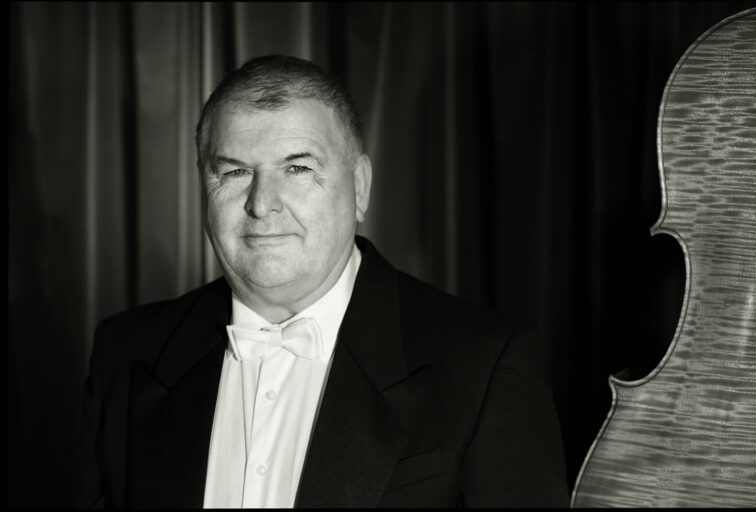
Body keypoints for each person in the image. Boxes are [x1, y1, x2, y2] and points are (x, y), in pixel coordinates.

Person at [79, 55, 569, 508]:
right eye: (235, 172)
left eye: (298, 168)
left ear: (359, 187)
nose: (262, 204)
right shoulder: (125, 353)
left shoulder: (486, 364)